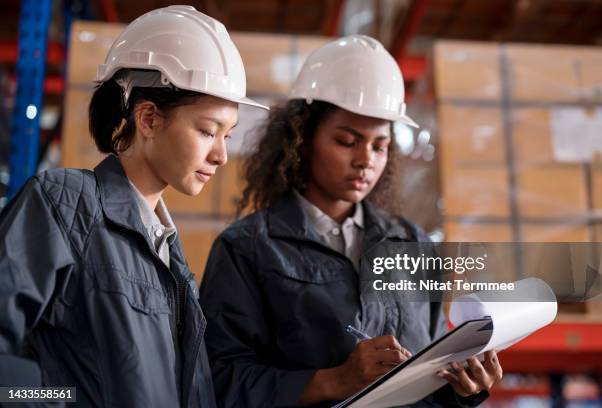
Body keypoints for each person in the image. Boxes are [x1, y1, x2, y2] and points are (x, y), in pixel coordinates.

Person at [200, 35, 503, 407]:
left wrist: (463, 388)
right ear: (303, 139)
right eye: (347, 141)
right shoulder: (248, 248)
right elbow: (220, 379)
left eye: (379, 146)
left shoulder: (414, 243)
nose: (365, 160)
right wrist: (335, 381)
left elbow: (433, 372)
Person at [0, 6, 267, 407]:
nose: (221, 155)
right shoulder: (64, 204)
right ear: (148, 119)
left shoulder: (170, 257)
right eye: (208, 131)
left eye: (227, 135)